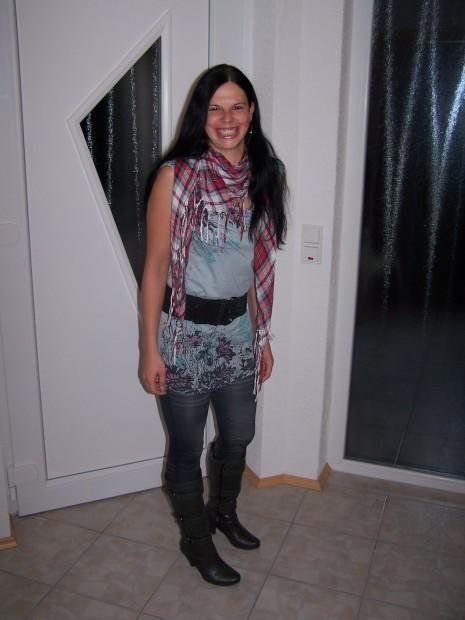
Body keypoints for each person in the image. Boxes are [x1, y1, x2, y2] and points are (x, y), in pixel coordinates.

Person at [140, 64, 287, 586]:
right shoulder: (176, 177)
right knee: (185, 447)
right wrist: (149, 350)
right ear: (200, 116)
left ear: (252, 112)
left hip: (238, 333)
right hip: (184, 337)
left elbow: (256, 265)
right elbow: (156, 267)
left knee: (240, 435)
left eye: (237, 106)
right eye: (215, 108)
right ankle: (196, 541)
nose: (227, 119)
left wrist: (261, 337)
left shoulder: (265, 174)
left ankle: (223, 513)